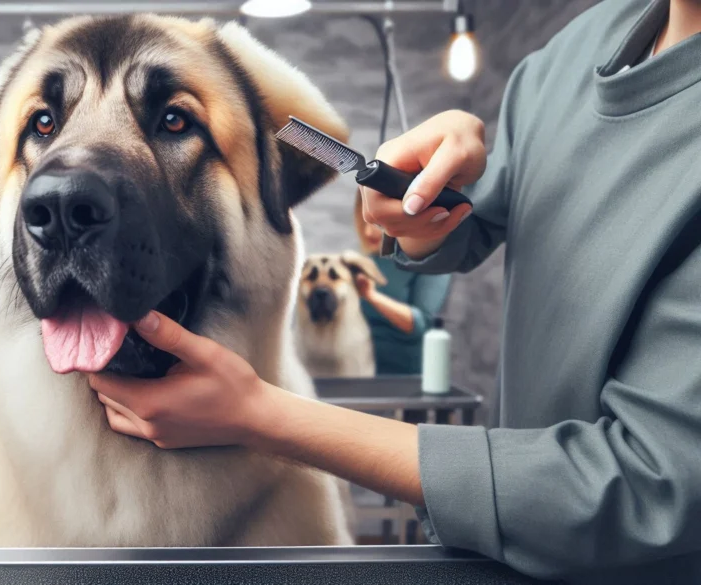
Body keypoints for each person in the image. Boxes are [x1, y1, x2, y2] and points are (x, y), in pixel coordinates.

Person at [87, 0, 701, 582]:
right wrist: (414, 202)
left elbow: (647, 486)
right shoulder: (562, 60)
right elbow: (471, 222)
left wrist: (261, 416)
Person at [352, 195, 452, 377]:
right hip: (360, 372)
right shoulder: (365, 263)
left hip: (406, 378)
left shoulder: (432, 264)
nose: (369, 233)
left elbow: (420, 325)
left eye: (378, 224)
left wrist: (371, 296)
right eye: (364, 221)